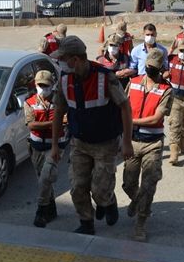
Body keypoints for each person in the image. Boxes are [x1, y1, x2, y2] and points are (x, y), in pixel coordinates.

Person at [50, 36, 134, 235]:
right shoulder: (64, 79)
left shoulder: (106, 77)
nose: (60, 62)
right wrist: (55, 144)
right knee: (78, 187)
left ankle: (108, 201)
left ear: (76, 59)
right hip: (79, 143)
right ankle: (86, 223)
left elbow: (125, 107)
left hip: (105, 144)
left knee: (100, 189)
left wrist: (127, 142)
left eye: (63, 58)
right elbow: (59, 112)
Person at [123, 49, 172, 241]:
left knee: (149, 184)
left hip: (153, 144)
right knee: (128, 184)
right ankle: (136, 200)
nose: (150, 69)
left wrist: (132, 121)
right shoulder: (133, 83)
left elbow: (156, 119)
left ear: (161, 69)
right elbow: (123, 107)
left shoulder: (166, 89)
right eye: (148, 66)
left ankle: (140, 224)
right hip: (132, 141)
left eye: (154, 68)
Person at [24, 70, 68, 228]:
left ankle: (41, 210)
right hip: (36, 146)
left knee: (45, 176)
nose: (43, 88)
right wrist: (55, 122)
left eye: (46, 85)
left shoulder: (61, 101)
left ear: (53, 85)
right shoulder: (30, 102)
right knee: (44, 180)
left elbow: (69, 118)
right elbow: (31, 125)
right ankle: (52, 208)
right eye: (40, 85)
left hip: (55, 146)